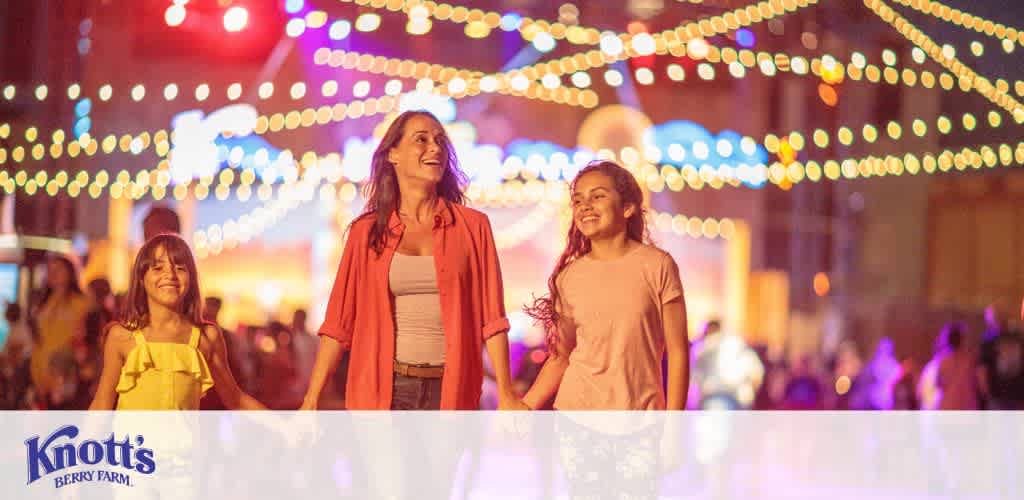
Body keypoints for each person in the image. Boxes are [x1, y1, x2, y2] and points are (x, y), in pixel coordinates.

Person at [301, 110, 522, 411]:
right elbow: (337, 324)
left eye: (440, 141)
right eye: (421, 139)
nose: (435, 148)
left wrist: (507, 393)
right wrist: (312, 398)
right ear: (393, 153)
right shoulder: (366, 233)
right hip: (382, 390)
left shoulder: (473, 227)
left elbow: (493, 320)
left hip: (452, 390)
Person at [521, 160, 690, 412]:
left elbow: (678, 352)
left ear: (627, 207)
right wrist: (524, 406)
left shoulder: (658, 266)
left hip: (640, 420)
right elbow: (561, 357)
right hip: (574, 420)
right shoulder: (568, 277)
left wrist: (674, 426)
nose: (585, 206)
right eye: (578, 201)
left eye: (597, 196)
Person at [89, 233, 265, 410]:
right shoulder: (121, 337)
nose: (170, 275)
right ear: (141, 278)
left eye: (180, 268)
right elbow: (102, 404)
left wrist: (282, 425)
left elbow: (236, 399)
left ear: (191, 279)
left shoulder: (206, 337)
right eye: (158, 268)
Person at [30, 254, 90, 400]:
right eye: (50, 269)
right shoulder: (42, 304)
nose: (53, 273)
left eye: (59, 269)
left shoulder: (82, 303)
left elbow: (84, 339)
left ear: (70, 272)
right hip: (40, 375)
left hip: (67, 376)